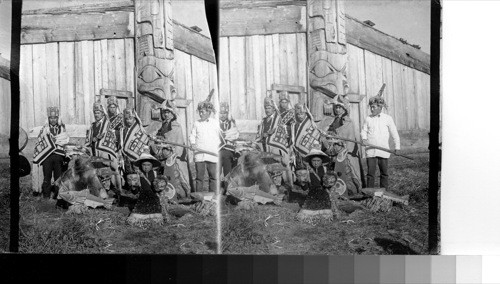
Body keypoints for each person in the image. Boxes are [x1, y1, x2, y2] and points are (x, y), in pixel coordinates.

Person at [318, 95, 363, 195]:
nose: (338, 110)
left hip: (344, 151)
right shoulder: (332, 120)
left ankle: (351, 190)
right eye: (336, 107)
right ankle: (333, 190)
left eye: (340, 108)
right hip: (332, 150)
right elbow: (329, 132)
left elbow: (349, 137)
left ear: (344, 109)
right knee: (333, 170)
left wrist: (344, 148)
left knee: (346, 171)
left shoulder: (348, 122)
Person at [361, 94, 400, 189]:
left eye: (373, 107)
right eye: (371, 107)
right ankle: (369, 193)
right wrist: (364, 139)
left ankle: (384, 192)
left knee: (384, 173)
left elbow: (394, 133)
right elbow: (364, 131)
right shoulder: (368, 118)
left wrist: (397, 147)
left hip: (383, 150)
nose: (372, 109)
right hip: (371, 150)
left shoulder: (387, 118)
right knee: (370, 173)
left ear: (380, 107)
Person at [153, 99, 191, 193]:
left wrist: (172, 149)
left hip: (174, 156)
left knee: (177, 176)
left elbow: (179, 142)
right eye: (165, 112)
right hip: (163, 155)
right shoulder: (162, 125)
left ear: (172, 114)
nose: (166, 115)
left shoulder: (176, 126)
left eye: (168, 112)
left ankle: (181, 193)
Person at [86, 102, 121, 191]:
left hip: (104, 152)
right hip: (94, 152)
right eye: (95, 113)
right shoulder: (93, 125)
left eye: (98, 113)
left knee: (105, 172)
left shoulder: (107, 124)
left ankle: (107, 190)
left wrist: (100, 138)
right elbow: (89, 138)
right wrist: (92, 140)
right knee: (96, 172)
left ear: (102, 113)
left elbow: (111, 136)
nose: (96, 115)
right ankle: (98, 191)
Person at [35, 107, 69, 199]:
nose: (53, 120)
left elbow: (64, 139)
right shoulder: (44, 129)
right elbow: (40, 141)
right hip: (47, 157)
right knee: (47, 176)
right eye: (51, 118)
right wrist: (49, 141)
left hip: (58, 156)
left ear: (58, 118)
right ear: (48, 119)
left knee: (58, 177)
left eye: (55, 118)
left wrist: (56, 141)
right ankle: (46, 195)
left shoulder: (62, 129)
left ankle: (58, 195)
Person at [257, 96, 292, 185]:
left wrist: (271, 134)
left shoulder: (278, 119)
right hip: (264, 147)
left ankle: (278, 186)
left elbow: (281, 133)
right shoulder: (263, 120)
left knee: (276, 168)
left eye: (269, 108)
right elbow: (259, 134)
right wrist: (262, 136)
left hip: (275, 148)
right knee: (266, 168)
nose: (267, 110)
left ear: (273, 108)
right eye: (266, 108)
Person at [189, 91, 219, 193]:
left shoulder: (215, 123)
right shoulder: (196, 123)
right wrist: (192, 144)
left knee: (213, 176)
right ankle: (198, 196)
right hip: (200, 153)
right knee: (199, 177)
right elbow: (192, 136)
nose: (201, 114)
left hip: (212, 153)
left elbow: (221, 136)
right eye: (200, 112)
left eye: (203, 112)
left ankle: (213, 196)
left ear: (209, 112)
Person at [219, 102, 239, 178]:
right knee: (216, 174)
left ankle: (227, 186)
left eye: (225, 113)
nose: (223, 115)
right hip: (216, 150)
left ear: (227, 114)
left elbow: (234, 135)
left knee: (228, 172)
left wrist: (224, 135)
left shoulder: (231, 123)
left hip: (228, 150)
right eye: (221, 113)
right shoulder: (214, 124)